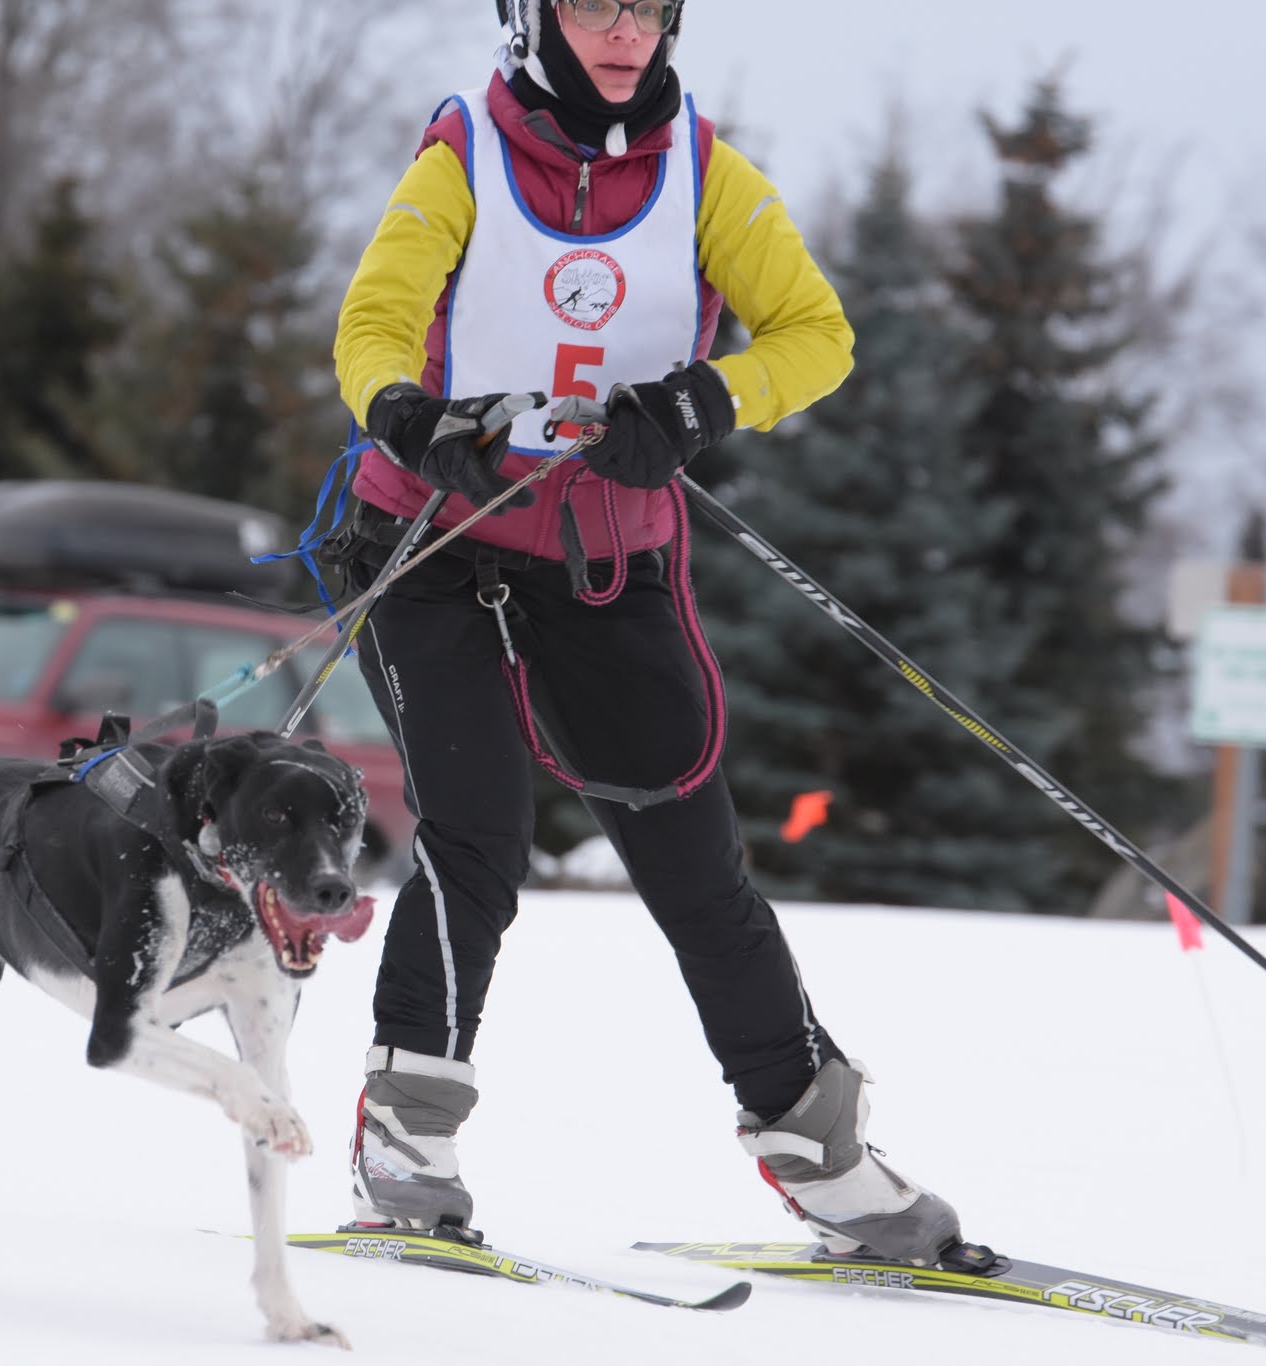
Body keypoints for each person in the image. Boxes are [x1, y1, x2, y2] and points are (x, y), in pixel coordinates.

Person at [328, 0, 962, 1265]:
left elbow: (816, 338)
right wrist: (411, 417)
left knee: (692, 864)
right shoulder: (462, 151)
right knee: (476, 835)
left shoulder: (706, 174)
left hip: (608, 564)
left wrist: (697, 401)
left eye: (649, 3)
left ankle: (811, 1143)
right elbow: (373, 327)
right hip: (431, 550)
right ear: (531, 14)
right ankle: (407, 1133)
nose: (623, 27)